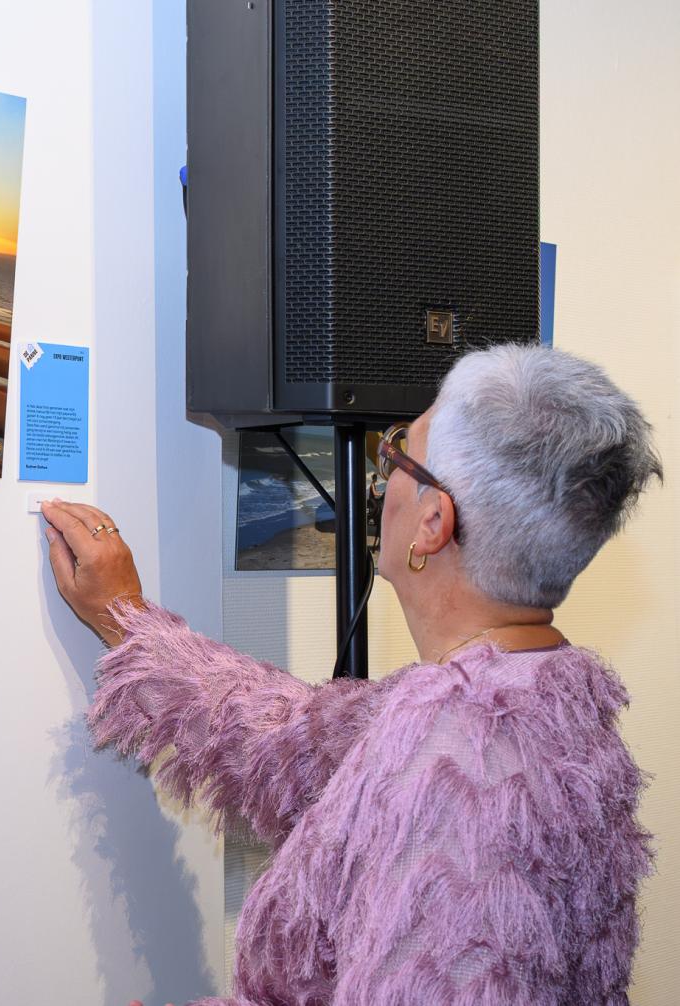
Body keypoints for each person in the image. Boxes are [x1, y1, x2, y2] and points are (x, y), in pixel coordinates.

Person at [41, 344, 661, 1004]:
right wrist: (127, 617)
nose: (380, 475)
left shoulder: (460, 773)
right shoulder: (537, 694)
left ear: (432, 523)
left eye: (398, 454)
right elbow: (287, 739)